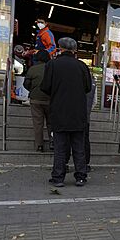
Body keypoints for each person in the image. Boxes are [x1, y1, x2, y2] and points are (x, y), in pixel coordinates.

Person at [41, 37, 92, 187]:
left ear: (59, 48)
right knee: (78, 147)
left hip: (59, 110)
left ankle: (58, 177)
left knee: (60, 147)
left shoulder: (53, 64)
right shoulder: (82, 66)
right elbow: (88, 87)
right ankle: (81, 176)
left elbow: (45, 87)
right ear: (74, 50)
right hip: (78, 112)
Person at [24, 50, 52, 152]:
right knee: (51, 123)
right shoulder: (51, 69)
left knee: (38, 124)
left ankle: (39, 145)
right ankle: (52, 142)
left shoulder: (32, 69)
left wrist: (32, 90)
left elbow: (26, 84)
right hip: (50, 100)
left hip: (35, 100)